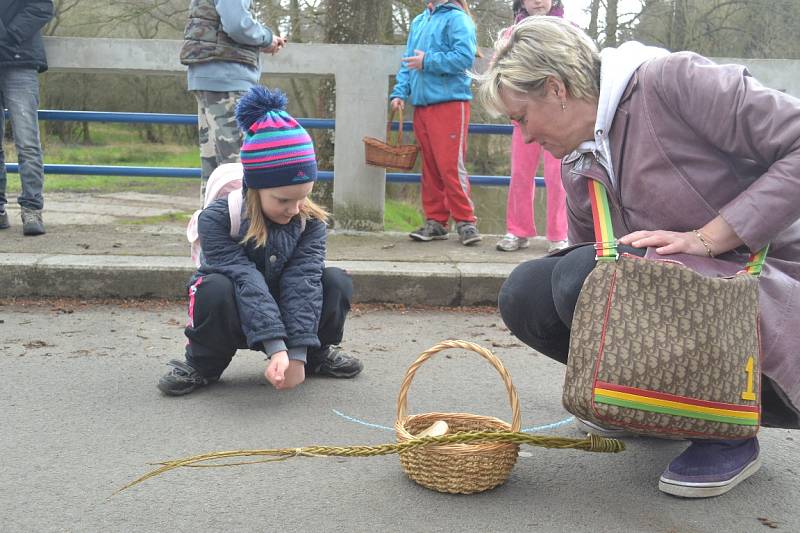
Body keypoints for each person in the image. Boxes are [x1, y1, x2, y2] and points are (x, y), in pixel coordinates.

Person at [476, 17, 800, 497]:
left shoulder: (674, 81)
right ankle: (649, 406)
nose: (522, 137)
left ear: (556, 88)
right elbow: (589, 267)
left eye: (521, 117)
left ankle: (726, 433)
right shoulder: (577, 162)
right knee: (531, 291)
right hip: (684, 293)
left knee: (580, 279)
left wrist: (710, 237)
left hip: (765, 284)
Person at [158, 87, 363, 396]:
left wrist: (296, 354)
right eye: (283, 199)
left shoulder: (309, 221)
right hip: (236, 310)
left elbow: (302, 280)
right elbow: (245, 277)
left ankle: (316, 354)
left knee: (333, 281)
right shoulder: (216, 219)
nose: (294, 209)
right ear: (254, 188)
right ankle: (204, 364)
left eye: (303, 197)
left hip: (286, 308)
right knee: (214, 287)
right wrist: (276, 347)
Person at [390, 0, 482, 246]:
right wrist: (399, 92)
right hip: (422, 105)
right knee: (430, 167)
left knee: (451, 166)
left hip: (450, 103)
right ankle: (436, 221)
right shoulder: (420, 20)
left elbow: (464, 58)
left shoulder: (458, 18)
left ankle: (466, 221)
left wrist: (428, 61)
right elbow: (407, 62)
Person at [180, 0, 286, 197]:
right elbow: (237, 24)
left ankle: (210, 226)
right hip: (227, 75)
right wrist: (266, 38)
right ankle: (239, 225)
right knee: (236, 171)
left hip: (210, 73)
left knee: (215, 174)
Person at [495, 0, 568, 253]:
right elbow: (498, 73)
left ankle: (559, 235)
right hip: (523, 117)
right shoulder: (509, 36)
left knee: (558, 177)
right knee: (520, 174)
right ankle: (517, 230)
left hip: (558, 118)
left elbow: (579, 72)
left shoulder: (568, 31)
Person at [0, 0, 53, 236]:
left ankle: (32, 209)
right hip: (17, 54)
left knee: (28, 143)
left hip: (20, 60)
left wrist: (9, 36)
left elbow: (42, 7)